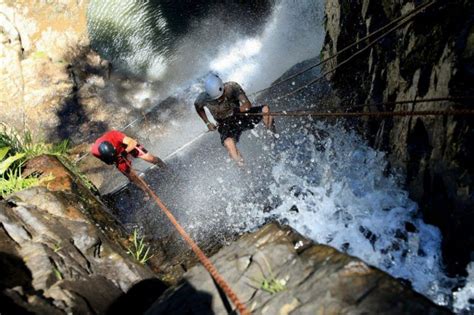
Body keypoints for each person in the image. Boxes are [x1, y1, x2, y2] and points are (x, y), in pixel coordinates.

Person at [194, 73, 275, 166]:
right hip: (225, 124)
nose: (219, 100)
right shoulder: (203, 98)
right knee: (228, 143)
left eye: (221, 97)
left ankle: (272, 138)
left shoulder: (232, 87)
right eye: (216, 99)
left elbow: (247, 105)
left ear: (223, 87)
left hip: (240, 115)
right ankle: (244, 169)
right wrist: (207, 123)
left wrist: (235, 111)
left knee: (265, 110)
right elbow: (198, 107)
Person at [91, 130, 166, 180]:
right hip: (116, 156)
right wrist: (114, 160)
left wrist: (125, 152)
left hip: (126, 146)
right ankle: (147, 191)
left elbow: (133, 143)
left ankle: (164, 166)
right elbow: (108, 162)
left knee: (150, 158)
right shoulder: (95, 152)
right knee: (131, 176)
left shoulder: (114, 135)